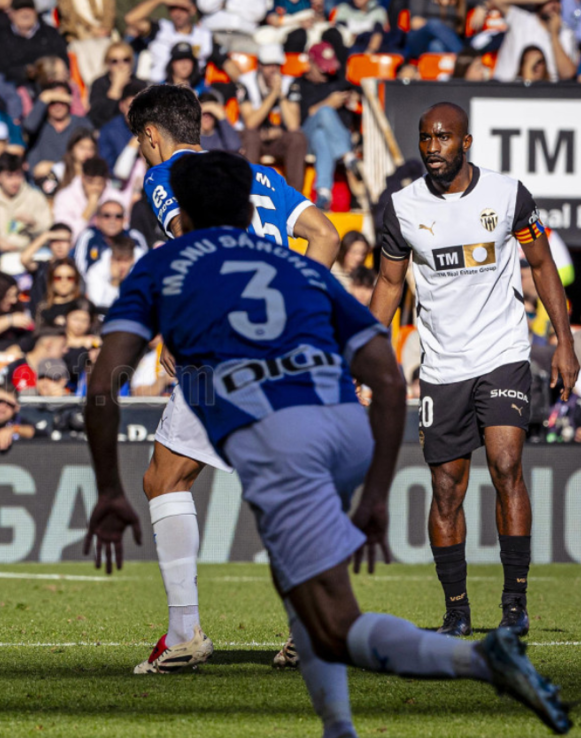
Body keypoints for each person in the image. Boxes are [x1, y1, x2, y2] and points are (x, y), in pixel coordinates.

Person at [84, 150, 572, 737]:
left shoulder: (166, 266)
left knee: (310, 601)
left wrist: (109, 487)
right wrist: (374, 496)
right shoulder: (300, 270)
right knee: (321, 609)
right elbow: (386, 378)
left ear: (181, 214)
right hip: (331, 424)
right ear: (248, 209)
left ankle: (455, 665)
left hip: (254, 413)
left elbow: (104, 383)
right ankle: (400, 688)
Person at [127, 83, 340, 670]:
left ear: (151, 136)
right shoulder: (259, 176)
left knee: (165, 480)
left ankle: (184, 634)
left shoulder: (166, 174)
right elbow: (326, 235)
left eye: (141, 144)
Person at [368, 102, 578, 638]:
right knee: (446, 489)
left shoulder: (509, 196)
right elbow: (391, 284)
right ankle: (457, 610)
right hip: (442, 364)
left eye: (443, 137)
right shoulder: (401, 207)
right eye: (424, 137)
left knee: (507, 464)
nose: (432, 146)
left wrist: (564, 343)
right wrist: (366, 353)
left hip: (503, 352)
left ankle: (514, 604)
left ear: (465, 142)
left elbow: (542, 264)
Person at [284, 42, 361, 211]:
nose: (327, 72)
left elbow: (361, 93)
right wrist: (328, 103)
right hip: (306, 139)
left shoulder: (338, 81)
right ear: (310, 62)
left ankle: (324, 192)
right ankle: (348, 158)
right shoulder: (298, 85)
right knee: (324, 112)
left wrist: (354, 100)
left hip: (331, 140)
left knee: (321, 136)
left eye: (329, 67)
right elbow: (297, 122)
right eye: (322, 68)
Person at [238, 44, 307, 192]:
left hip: (278, 138)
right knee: (251, 137)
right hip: (252, 138)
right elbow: (250, 123)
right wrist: (272, 94)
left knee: (297, 138)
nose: (273, 70)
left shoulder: (290, 83)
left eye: (277, 65)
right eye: (269, 65)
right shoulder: (246, 82)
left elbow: (293, 125)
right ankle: (250, 195)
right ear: (260, 65)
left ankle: (294, 198)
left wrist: (280, 95)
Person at [0, 154, 53, 270]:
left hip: (31, 259)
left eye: (18, 175)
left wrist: (34, 224)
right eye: (9, 176)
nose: (15, 182)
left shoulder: (36, 197)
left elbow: (49, 233)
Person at [490, 0, 578, 81]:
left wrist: (554, 35)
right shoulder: (521, 19)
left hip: (544, 93)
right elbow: (495, 1)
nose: (553, 5)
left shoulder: (566, 33)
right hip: (505, 87)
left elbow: (568, 74)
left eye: (557, 1)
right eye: (549, 1)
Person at [0, 0, 68, 86]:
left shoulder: (51, 33)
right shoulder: (1, 37)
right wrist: (25, 72)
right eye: (20, 9)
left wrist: (41, 71)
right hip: (15, 86)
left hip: (50, 83)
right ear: (11, 14)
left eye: (29, 9)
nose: (25, 13)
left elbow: (62, 59)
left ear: (35, 12)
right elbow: (0, 67)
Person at [22, 82, 93, 180]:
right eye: (53, 102)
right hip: (39, 181)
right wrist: (44, 99)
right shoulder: (39, 123)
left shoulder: (81, 124)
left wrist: (54, 167)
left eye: (62, 101)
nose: (57, 106)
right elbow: (28, 126)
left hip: (70, 180)